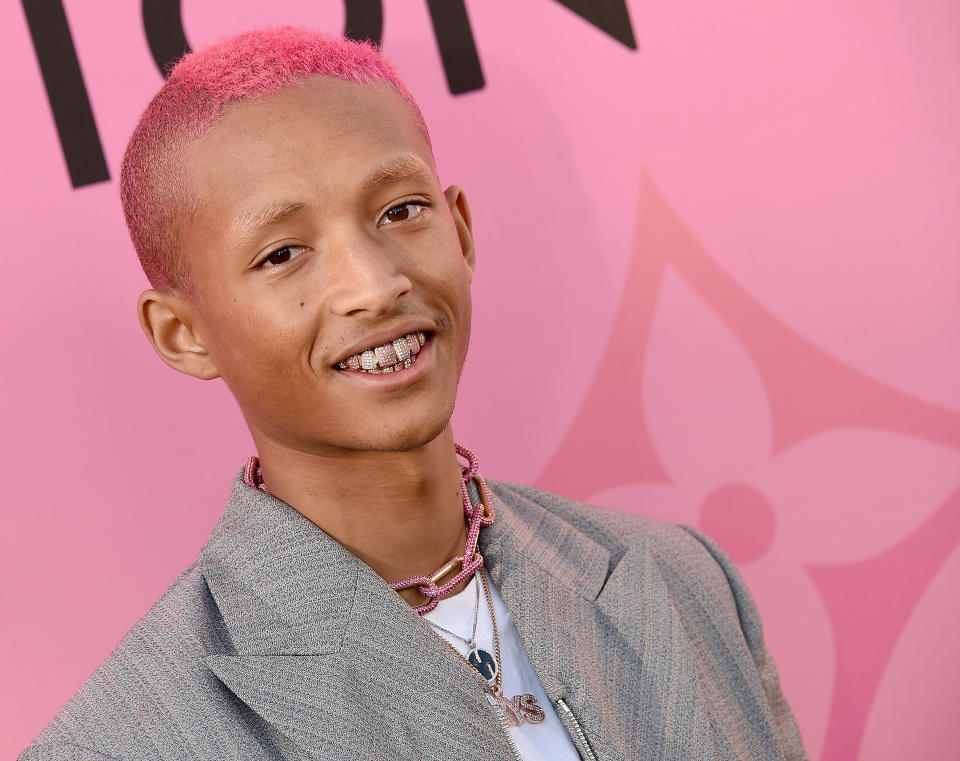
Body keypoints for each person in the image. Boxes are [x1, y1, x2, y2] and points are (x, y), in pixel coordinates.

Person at [19, 27, 807, 761]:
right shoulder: (118, 743)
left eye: (401, 211)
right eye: (283, 253)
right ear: (181, 333)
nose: (374, 284)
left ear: (461, 232)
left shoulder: (684, 579)